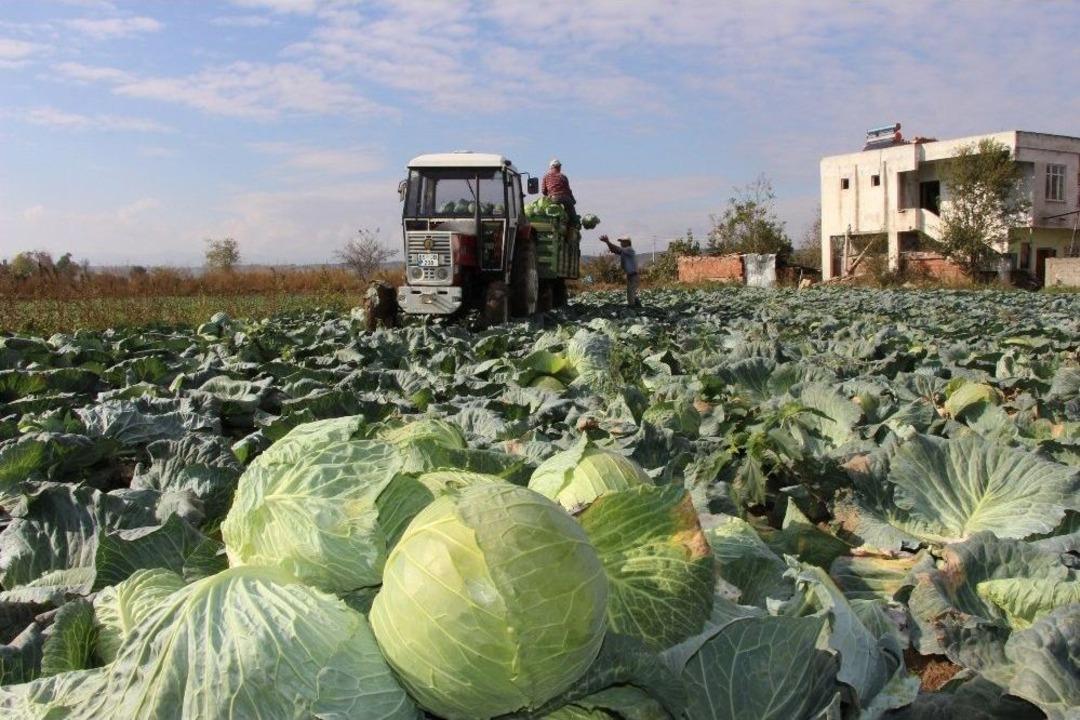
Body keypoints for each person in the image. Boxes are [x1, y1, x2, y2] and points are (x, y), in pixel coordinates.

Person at [600, 235, 641, 307]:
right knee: (631, 292)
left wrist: (608, 241)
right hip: (631, 275)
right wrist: (607, 243)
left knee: (630, 292)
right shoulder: (625, 251)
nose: (621, 243)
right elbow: (614, 250)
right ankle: (637, 306)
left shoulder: (629, 249)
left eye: (622, 242)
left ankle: (633, 308)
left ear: (627, 243)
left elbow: (617, 248)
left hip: (633, 275)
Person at [541, 158, 578, 225]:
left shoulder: (546, 176)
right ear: (559, 167)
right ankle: (572, 226)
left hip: (553, 198)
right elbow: (568, 191)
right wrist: (573, 200)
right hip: (565, 198)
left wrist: (548, 195)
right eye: (559, 167)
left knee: (548, 212)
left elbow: (543, 191)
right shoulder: (563, 176)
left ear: (551, 167)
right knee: (572, 215)